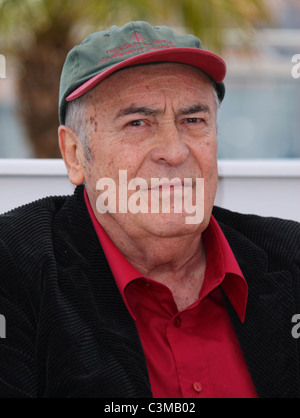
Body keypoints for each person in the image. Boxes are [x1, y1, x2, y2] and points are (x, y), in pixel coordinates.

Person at [0, 21, 299, 399]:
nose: (174, 152)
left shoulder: (291, 258)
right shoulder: (14, 269)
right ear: (75, 155)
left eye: (193, 121)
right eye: (137, 123)